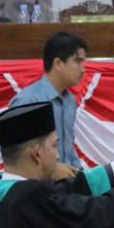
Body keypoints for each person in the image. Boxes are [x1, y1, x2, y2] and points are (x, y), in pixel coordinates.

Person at [9, 32, 88, 179]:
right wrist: (53, 170)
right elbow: (15, 157)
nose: (83, 69)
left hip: (65, 186)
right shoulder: (27, 101)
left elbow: (68, 149)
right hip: (35, 188)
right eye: (77, 61)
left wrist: (81, 176)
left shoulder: (70, 101)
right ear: (58, 64)